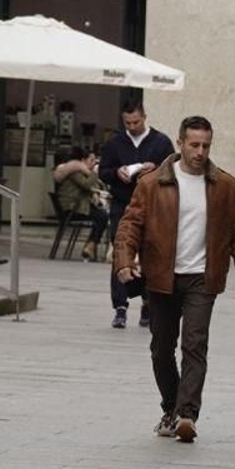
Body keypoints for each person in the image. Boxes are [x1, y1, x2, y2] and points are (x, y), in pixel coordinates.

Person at [112, 116, 235, 443]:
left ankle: (187, 414)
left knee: (195, 345)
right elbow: (130, 225)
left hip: (202, 278)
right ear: (180, 143)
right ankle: (171, 406)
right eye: (194, 145)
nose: (200, 152)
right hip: (161, 276)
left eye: (206, 145)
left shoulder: (225, 186)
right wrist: (124, 261)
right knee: (161, 349)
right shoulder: (152, 183)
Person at [101, 102, 175, 328]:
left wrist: (155, 170)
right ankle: (120, 306)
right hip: (122, 203)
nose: (132, 127)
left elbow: (173, 170)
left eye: (136, 122)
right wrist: (117, 172)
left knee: (149, 253)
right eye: (128, 123)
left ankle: (147, 301)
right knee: (120, 251)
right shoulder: (114, 142)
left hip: (152, 206)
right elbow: (103, 171)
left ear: (144, 117)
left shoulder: (161, 142)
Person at [51, 145, 109, 261]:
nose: (94, 163)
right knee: (102, 216)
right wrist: (95, 173)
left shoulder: (78, 171)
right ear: (82, 160)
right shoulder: (75, 172)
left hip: (75, 206)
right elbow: (87, 185)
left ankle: (91, 246)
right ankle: (90, 246)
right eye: (91, 160)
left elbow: (91, 186)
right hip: (73, 208)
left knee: (101, 216)